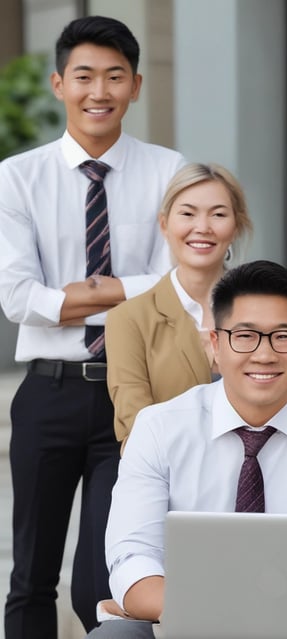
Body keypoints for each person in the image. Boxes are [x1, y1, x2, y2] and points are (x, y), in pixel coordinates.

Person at [0, 15, 186, 637]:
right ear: (59, 84)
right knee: (30, 578)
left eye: (114, 77)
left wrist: (85, 293)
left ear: (136, 85)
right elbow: (16, 297)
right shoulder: (18, 177)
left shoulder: (170, 171)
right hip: (49, 392)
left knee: (104, 579)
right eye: (84, 76)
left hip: (135, 394)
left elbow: (190, 283)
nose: (98, 91)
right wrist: (135, 291)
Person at [86, 260, 287, 638]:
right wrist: (222, 615)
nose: (264, 354)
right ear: (215, 343)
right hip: (182, 622)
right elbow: (133, 559)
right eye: (245, 336)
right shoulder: (159, 428)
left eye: (283, 336)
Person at [105, 163, 252, 446]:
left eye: (218, 214)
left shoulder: (265, 309)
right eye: (187, 213)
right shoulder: (129, 318)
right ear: (164, 225)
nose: (202, 228)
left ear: (236, 226)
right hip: (171, 480)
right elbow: (136, 424)